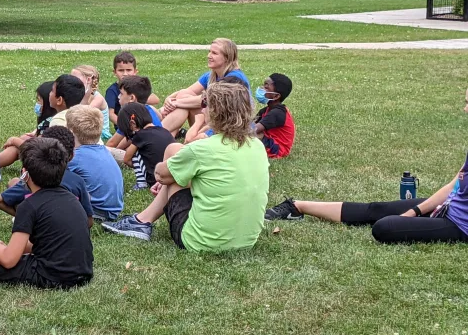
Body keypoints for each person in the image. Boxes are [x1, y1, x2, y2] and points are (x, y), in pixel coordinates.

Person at [103, 81, 269, 250]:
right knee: (179, 169)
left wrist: (166, 175)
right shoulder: (257, 146)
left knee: (173, 152)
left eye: (205, 104)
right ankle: (141, 220)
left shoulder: (203, 148)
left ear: (216, 111)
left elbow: (160, 174)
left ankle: (142, 221)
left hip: (201, 241)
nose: (202, 109)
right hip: (246, 240)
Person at [0, 137, 94, 289]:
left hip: (53, 277)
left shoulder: (28, 206)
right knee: (18, 247)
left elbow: (9, 260)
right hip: (84, 271)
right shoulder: (72, 198)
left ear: (24, 174)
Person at [265, 157, 468, 244]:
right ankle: (297, 207)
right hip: (447, 207)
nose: (465, 108)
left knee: (384, 227)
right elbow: (453, 187)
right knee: (376, 208)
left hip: (458, 225)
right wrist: (415, 210)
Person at [0, 126, 94, 228]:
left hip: (39, 226)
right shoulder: (78, 181)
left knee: (14, 182)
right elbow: (89, 221)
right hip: (70, 228)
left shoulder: (33, 179)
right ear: (71, 155)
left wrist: (25, 218)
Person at [160, 38, 250, 136]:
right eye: (209, 52)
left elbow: (206, 100)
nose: (209, 56)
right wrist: (169, 99)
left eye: (214, 53)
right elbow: (187, 91)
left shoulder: (234, 78)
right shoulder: (211, 75)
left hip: (229, 127)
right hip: (214, 121)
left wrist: (176, 103)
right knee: (184, 95)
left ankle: (157, 134)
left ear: (227, 58)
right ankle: (164, 137)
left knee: (183, 102)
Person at [66, 105, 125, 222]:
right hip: (113, 210)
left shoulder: (76, 157)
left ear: (70, 131)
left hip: (95, 211)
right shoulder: (104, 151)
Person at [115, 102, 175, 189]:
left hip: (154, 180)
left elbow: (126, 159)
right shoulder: (164, 131)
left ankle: (141, 183)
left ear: (132, 124)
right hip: (170, 176)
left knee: (134, 153)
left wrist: (143, 166)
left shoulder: (140, 136)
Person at [0, 81, 57, 168]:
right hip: (48, 156)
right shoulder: (53, 119)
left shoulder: (51, 123)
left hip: (46, 164)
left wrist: (14, 140)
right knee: (25, 138)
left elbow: (36, 149)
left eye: (39, 100)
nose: (37, 104)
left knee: (18, 146)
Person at [105, 75, 163, 163]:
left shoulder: (130, 116)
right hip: (160, 153)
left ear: (132, 98)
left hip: (146, 159)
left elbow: (111, 143)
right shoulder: (148, 108)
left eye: (121, 94)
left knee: (106, 150)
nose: (118, 97)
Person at [254, 73, 295, 159]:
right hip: (270, 142)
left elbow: (252, 130)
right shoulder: (266, 110)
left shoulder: (277, 113)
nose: (261, 88)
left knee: (248, 136)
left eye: (266, 87)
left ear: (276, 96)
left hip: (277, 149)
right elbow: (249, 123)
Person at [71, 65, 111, 142]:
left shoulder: (98, 98)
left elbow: (83, 115)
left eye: (75, 78)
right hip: (85, 127)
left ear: (88, 80)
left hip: (99, 132)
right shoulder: (79, 94)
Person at [105, 52, 136, 129]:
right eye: (121, 70)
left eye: (129, 70)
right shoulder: (112, 90)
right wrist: (126, 126)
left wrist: (137, 97)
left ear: (135, 71)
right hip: (123, 128)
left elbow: (155, 100)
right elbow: (110, 113)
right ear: (115, 72)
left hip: (140, 122)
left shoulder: (138, 86)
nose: (125, 74)